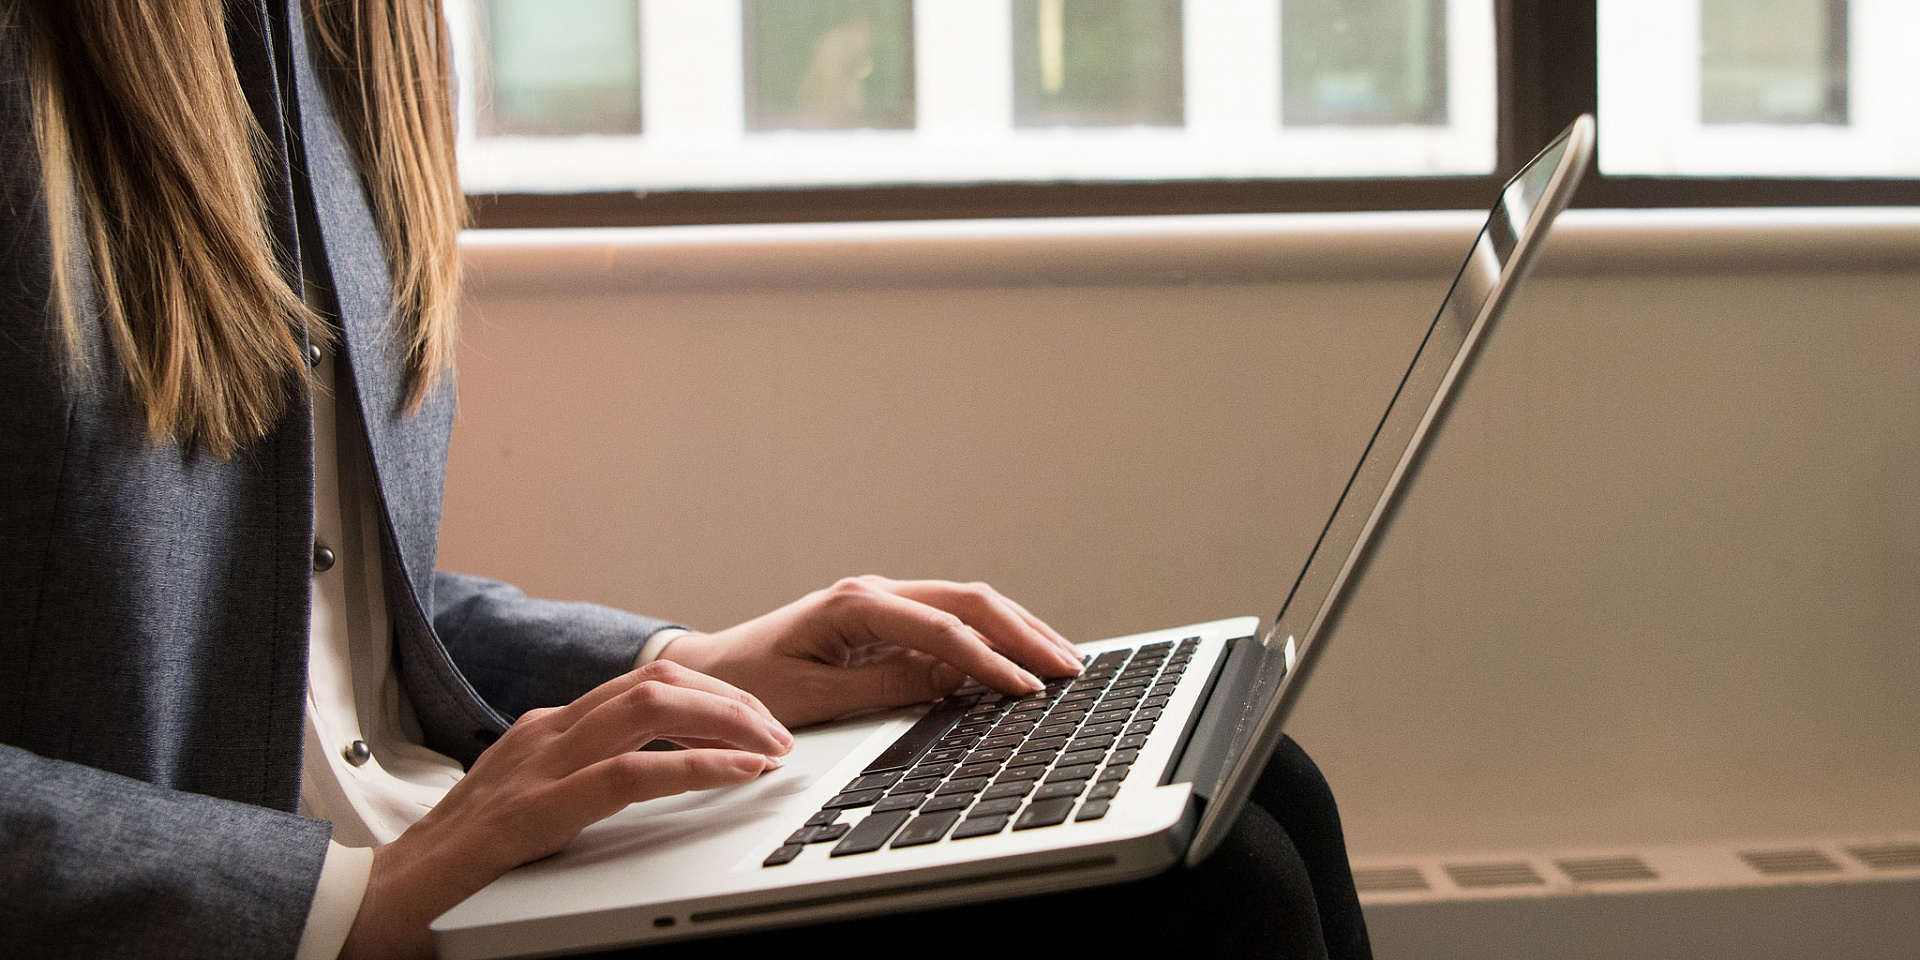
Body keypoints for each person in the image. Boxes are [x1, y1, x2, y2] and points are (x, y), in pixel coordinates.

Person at [0, 2, 1373, 958]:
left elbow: (317, 618)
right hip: (271, 909)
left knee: (1260, 793)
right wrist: (335, 902)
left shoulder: (348, 39)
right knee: (1218, 902)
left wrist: (688, 664)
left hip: (437, 861)